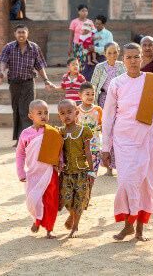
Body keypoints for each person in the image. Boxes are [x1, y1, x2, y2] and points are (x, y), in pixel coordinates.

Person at [102, 43, 153, 242]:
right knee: (126, 181)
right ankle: (127, 225)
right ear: (122, 60)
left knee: (146, 182)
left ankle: (140, 228)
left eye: (136, 57)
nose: (133, 61)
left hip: (148, 139)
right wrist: (104, 148)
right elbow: (108, 117)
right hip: (123, 139)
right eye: (129, 57)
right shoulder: (116, 83)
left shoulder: (151, 82)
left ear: (141, 58)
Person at [0, 25, 54, 144]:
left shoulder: (34, 48)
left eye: (23, 32)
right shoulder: (9, 47)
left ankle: (29, 138)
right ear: (15, 34)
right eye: (19, 32)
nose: (21, 35)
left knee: (29, 110)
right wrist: (2, 71)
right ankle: (19, 139)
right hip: (14, 83)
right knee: (17, 109)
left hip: (29, 83)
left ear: (27, 34)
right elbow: (3, 61)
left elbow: (39, 65)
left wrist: (46, 80)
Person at [16, 100, 63, 239]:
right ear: (31, 116)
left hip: (49, 172)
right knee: (34, 199)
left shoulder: (53, 132)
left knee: (51, 201)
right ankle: (36, 220)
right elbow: (20, 154)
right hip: (33, 172)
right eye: (40, 113)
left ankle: (50, 228)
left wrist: (60, 162)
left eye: (46, 113)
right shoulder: (26, 134)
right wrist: (21, 172)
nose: (44, 116)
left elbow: (59, 149)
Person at [57, 99, 96, 238]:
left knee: (80, 199)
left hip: (82, 172)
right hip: (66, 172)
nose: (66, 115)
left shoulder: (84, 130)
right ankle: (71, 216)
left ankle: (75, 226)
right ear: (59, 116)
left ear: (77, 113)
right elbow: (58, 152)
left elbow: (88, 152)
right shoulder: (59, 132)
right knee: (67, 199)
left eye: (69, 112)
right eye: (63, 113)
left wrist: (92, 171)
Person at [90, 42, 127, 176]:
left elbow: (127, 84)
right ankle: (108, 167)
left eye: (115, 52)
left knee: (120, 132)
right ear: (104, 53)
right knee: (107, 132)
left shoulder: (123, 66)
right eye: (109, 53)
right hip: (104, 101)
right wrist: (94, 107)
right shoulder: (100, 67)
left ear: (118, 52)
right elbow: (93, 86)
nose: (112, 55)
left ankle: (121, 166)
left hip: (120, 102)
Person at [76, 82, 103, 175]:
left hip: (95, 145)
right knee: (82, 169)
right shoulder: (76, 111)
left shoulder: (98, 110)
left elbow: (102, 125)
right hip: (81, 146)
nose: (90, 97)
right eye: (87, 94)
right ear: (80, 95)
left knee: (93, 171)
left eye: (93, 94)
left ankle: (90, 189)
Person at [81, 14, 114, 81]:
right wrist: (87, 48)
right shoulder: (91, 32)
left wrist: (95, 49)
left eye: (99, 24)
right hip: (90, 58)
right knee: (86, 78)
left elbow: (108, 49)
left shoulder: (108, 34)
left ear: (104, 24)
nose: (97, 26)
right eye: (96, 24)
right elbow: (85, 42)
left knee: (101, 79)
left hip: (101, 58)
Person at [68, 4, 93, 73]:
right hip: (77, 44)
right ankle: (79, 76)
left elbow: (93, 33)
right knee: (78, 60)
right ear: (78, 12)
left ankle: (85, 76)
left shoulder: (89, 22)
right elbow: (71, 35)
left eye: (86, 11)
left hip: (87, 45)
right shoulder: (74, 22)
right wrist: (70, 47)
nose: (84, 13)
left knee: (86, 60)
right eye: (82, 11)